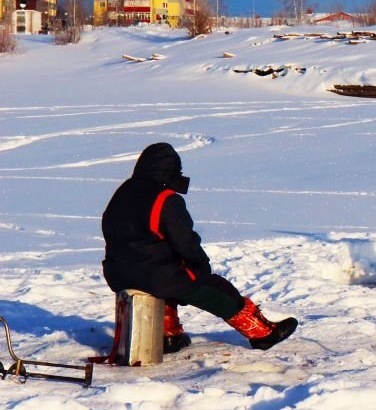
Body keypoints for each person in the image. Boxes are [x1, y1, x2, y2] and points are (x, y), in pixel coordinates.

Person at [101, 142, 297, 352]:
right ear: (171, 170)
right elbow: (185, 242)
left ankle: (167, 335)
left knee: (166, 281)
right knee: (217, 290)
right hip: (155, 275)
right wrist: (201, 267)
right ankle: (262, 333)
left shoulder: (123, 193)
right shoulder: (165, 199)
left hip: (118, 273)